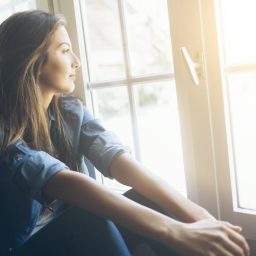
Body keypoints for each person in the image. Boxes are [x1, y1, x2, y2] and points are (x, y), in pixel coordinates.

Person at [0, 10, 250, 256]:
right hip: (25, 246)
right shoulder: (4, 131)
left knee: (148, 200)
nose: (76, 61)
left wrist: (199, 217)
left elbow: (119, 160)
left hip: (68, 238)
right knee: (86, 218)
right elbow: (64, 182)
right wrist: (175, 232)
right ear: (32, 60)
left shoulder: (68, 110)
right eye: (65, 51)